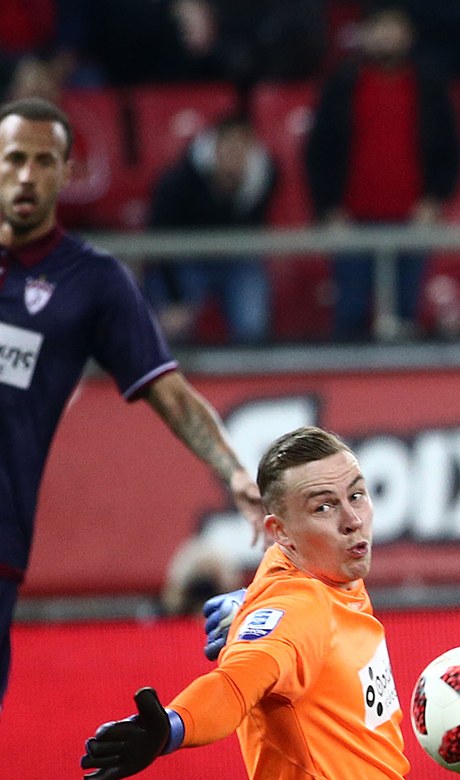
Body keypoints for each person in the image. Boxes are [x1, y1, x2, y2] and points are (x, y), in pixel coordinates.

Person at [0, 97, 261, 710]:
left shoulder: (92, 282)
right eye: (14, 159)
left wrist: (232, 469)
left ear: (67, 172)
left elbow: (170, 394)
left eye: (45, 161)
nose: (27, 175)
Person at [81, 426, 409, 780]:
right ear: (280, 531)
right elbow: (235, 683)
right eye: (323, 507)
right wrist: (173, 727)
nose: (353, 520)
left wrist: (245, 604)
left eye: (356, 495)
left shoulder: (332, 566)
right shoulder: (301, 608)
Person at [305, 6, 460, 341]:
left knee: (406, 316)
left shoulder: (429, 86)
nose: (387, 35)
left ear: (409, 35)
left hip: (413, 221)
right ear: (365, 34)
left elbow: (450, 150)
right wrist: (328, 208)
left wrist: (435, 200)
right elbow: (319, 152)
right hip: (352, 222)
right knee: (350, 314)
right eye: (380, 27)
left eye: (394, 27)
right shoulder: (341, 84)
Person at [144, 115, 277, 345]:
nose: (234, 154)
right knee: (172, 330)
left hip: (238, 262)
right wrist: (175, 298)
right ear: (214, 147)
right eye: (228, 145)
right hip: (186, 261)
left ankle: (248, 366)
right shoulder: (178, 181)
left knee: (252, 327)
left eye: (242, 146)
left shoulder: (264, 177)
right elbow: (159, 241)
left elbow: (253, 229)